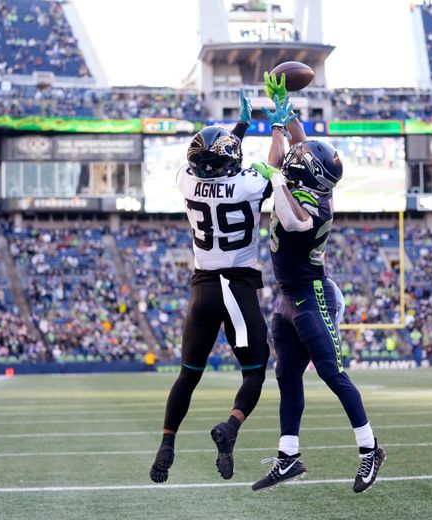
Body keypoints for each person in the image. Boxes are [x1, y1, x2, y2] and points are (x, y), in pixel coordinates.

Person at [250, 79, 385, 493]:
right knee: (287, 376)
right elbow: (304, 146)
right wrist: (284, 110)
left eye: (300, 159)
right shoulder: (310, 181)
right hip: (288, 297)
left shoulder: (313, 203)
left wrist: (275, 178)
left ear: (307, 173)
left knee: (332, 373)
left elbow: (293, 220)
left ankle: (370, 450)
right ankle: (288, 457)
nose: (297, 155)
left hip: (311, 296)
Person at [149, 90, 272, 484]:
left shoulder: (186, 181)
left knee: (188, 374)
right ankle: (231, 427)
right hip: (236, 287)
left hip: (202, 288)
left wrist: (238, 127)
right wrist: (274, 126)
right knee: (253, 373)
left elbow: (212, 161)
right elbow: (267, 169)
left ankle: (166, 444)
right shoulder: (250, 185)